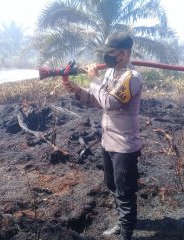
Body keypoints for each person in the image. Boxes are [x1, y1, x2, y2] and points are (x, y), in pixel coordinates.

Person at [62, 31, 143, 240]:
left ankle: (126, 233)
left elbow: (110, 102)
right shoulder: (111, 74)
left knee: (124, 190)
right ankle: (125, 221)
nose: (107, 56)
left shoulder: (131, 77)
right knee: (113, 185)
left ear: (123, 54)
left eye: (111, 52)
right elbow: (98, 101)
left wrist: (94, 80)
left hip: (124, 144)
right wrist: (77, 90)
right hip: (108, 141)